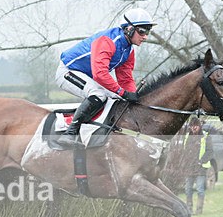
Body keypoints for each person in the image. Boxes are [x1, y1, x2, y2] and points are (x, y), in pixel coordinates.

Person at [55, 8, 156, 148]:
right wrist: (122, 92)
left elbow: (125, 79)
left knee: (118, 98)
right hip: (68, 71)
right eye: (142, 31)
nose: (145, 36)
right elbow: (100, 73)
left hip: (89, 76)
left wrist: (134, 96)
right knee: (98, 95)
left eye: (147, 32)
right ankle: (70, 132)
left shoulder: (129, 49)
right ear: (129, 29)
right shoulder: (107, 41)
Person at [183, 117, 214, 215]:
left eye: (195, 126)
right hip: (189, 167)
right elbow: (184, 151)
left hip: (201, 167)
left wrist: (201, 161)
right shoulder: (187, 136)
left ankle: (199, 210)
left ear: (199, 126)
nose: (193, 128)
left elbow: (210, 152)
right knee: (188, 189)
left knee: (200, 189)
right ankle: (189, 209)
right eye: (192, 126)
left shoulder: (206, 136)